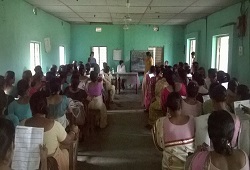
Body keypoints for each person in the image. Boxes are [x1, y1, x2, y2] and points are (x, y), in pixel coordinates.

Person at [23, 91, 79, 170]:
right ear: (45, 106)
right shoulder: (54, 125)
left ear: (31, 107)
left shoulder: (22, 123)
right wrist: (73, 131)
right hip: (53, 166)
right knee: (65, 151)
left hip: (30, 164)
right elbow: (68, 140)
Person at [152, 92, 195, 169]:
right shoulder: (192, 120)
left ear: (168, 108)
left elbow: (159, 146)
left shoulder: (161, 122)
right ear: (181, 105)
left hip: (170, 166)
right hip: (189, 166)